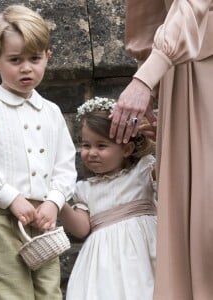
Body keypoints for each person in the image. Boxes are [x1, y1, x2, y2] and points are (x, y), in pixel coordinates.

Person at [0, 5, 77, 300]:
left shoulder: (51, 112)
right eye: (15, 60)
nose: (26, 68)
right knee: (10, 290)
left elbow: (65, 166)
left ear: (47, 57)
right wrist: (11, 198)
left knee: (49, 291)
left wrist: (53, 202)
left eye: (35, 59)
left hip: (44, 218)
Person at [109, 1, 213, 299]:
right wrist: (148, 76)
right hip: (182, 74)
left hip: (196, 71)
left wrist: (146, 78)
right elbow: (147, 9)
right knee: (187, 227)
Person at [60, 97, 157, 300]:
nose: (91, 153)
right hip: (103, 264)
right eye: (86, 145)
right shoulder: (84, 189)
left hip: (143, 255)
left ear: (126, 149)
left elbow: (172, 174)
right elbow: (81, 229)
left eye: (101, 146)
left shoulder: (142, 172)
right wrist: (58, 200)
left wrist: (163, 137)